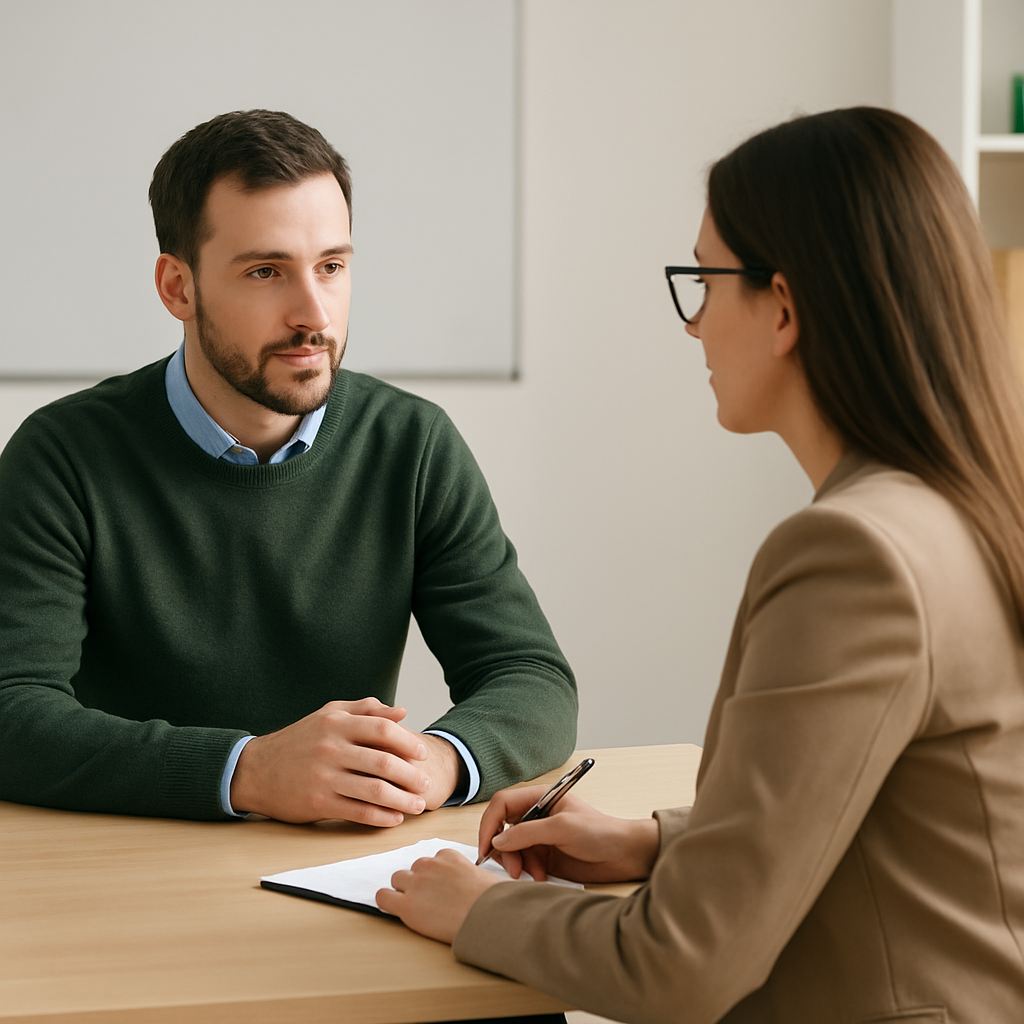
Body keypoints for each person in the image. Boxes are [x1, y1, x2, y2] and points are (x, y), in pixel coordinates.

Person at [377, 107, 1024, 1023]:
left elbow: (678, 969)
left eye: (704, 283)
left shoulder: (856, 556)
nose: (694, 326)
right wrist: (656, 842)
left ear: (785, 308)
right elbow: (910, 826)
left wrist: (486, 909)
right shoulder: (967, 508)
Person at [0, 109, 577, 825]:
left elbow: (530, 677)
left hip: (334, 869)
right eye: (266, 271)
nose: (314, 315)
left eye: (331, 267)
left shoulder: (412, 444)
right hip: (126, 863)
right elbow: (11, 712)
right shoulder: (63, 456)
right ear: (178, 287)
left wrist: (437, 762)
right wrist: (245, 771)